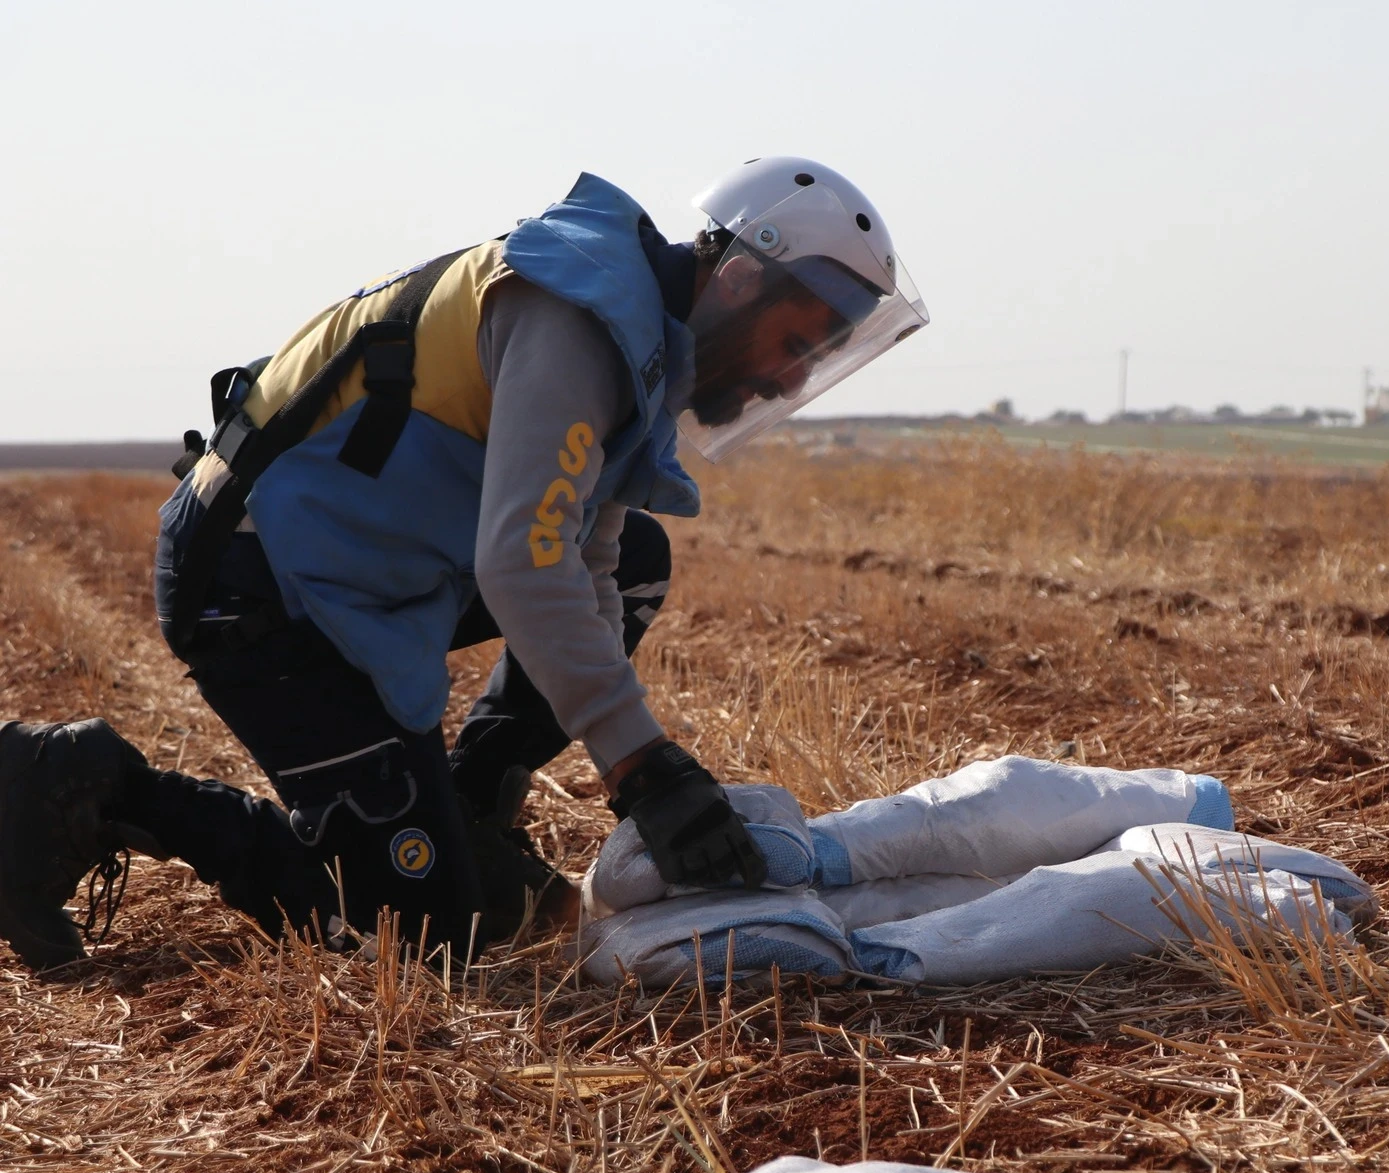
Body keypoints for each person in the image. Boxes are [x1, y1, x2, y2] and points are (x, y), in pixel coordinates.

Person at [0, 159, 928, 970]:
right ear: (738, 278)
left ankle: (466, 801)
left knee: (637, 559)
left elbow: (592, 564)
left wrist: (637, 764)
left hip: (361, 562)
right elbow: (524, 566)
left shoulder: (631, 337)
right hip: (255, 586)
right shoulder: (576, 319)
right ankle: (95, 789)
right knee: (425, 937)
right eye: (795, 343)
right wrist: (645, 769)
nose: (786, 380)